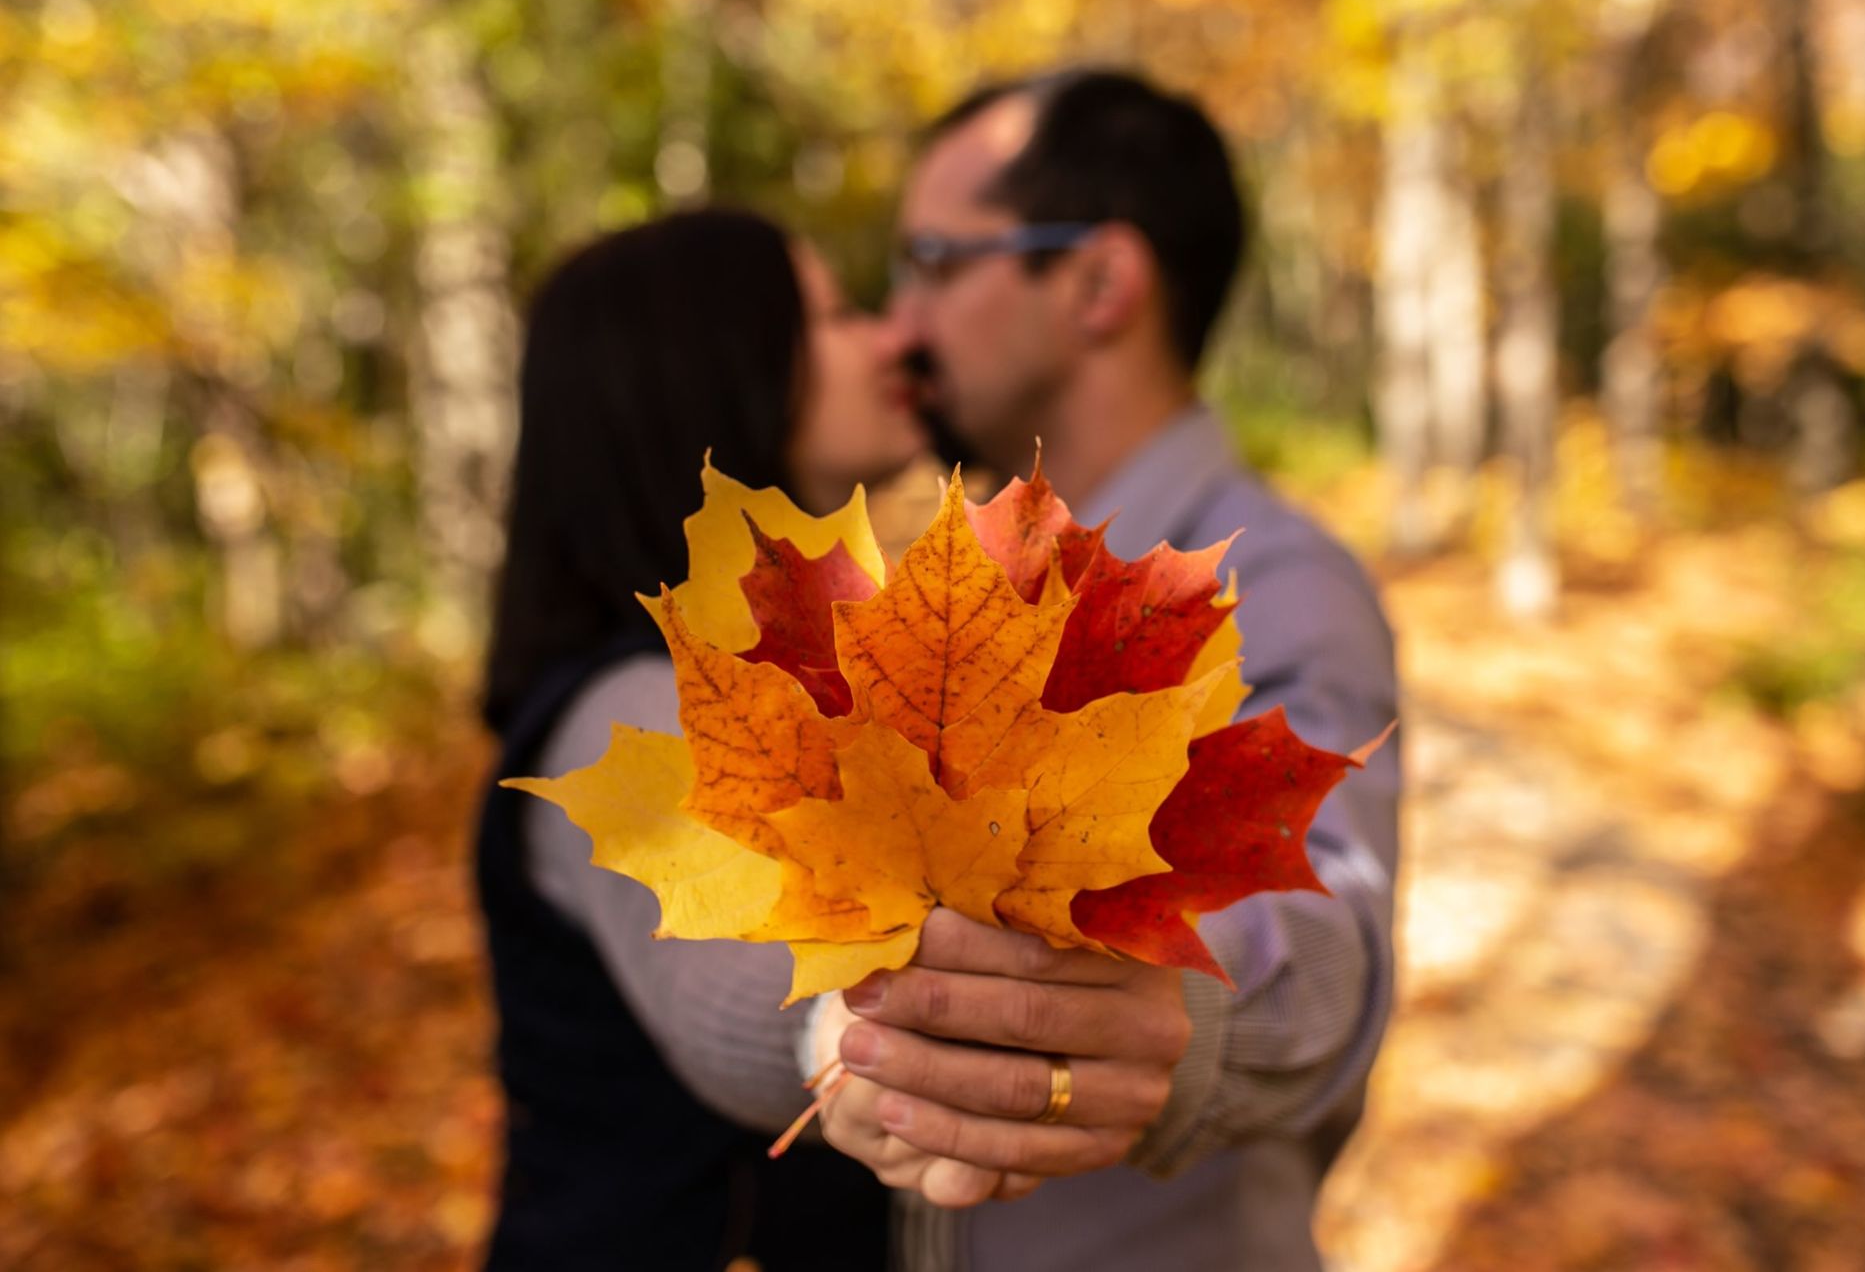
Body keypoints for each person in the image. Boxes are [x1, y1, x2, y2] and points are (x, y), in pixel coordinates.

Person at [808, 69, 1403, 1271]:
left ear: (1098, 282)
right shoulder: (950, 591)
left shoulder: (1280, 587)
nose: (899, 324)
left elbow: (1328, 934)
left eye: (931, 259)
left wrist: (1184, 1002)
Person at [475, 208, 927, 1270]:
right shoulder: (621, 714)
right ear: (715, 374)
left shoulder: (783, 683)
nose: (887, 339)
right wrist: (841, 1037)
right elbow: (731, 969)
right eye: (834, 313)